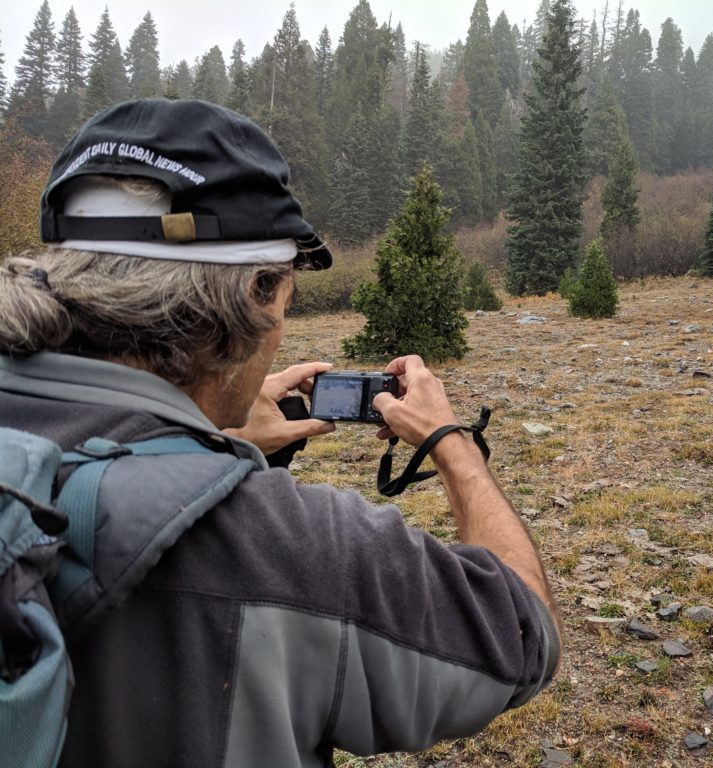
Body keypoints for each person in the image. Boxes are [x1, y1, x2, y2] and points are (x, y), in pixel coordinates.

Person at [0, 99, 561, 767]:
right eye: (284, 297)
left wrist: (201, 429)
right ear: (253, 298)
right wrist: (450, 441)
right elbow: (523, 636)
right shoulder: (292, 547)